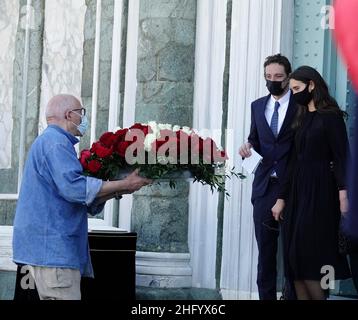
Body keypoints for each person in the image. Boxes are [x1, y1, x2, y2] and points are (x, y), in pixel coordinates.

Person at [12, 94, 152, 300]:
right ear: (69, 114)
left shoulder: (49, 142)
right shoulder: (56, 143)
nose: (83, 119)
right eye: (82, 113)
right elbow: (75, 189)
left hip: (44, 252)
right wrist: (125, 183)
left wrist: (118, 189)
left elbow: (74, 197)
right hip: (53, 254)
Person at [272, 66, 351, 300]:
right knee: (294, 257)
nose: (294, 93)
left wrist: (343, 195)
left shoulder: (331, 116)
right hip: (298, 193)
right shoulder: (302, 116)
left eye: (297, 88)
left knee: (315, 256)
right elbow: (293, 162)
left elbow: (341, 157)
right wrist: (281, 198)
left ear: (312, 85)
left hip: (321, 193)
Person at [239, 54, 297, 300]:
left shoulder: (301, 106)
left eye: (278, 77)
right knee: (265, 253)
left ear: (288, 78)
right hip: (264, 187)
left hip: (294, 187)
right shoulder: (257, 105)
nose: (273, 81)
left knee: (295, 252)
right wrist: (248, 146)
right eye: (268, 77)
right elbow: (256, 137)